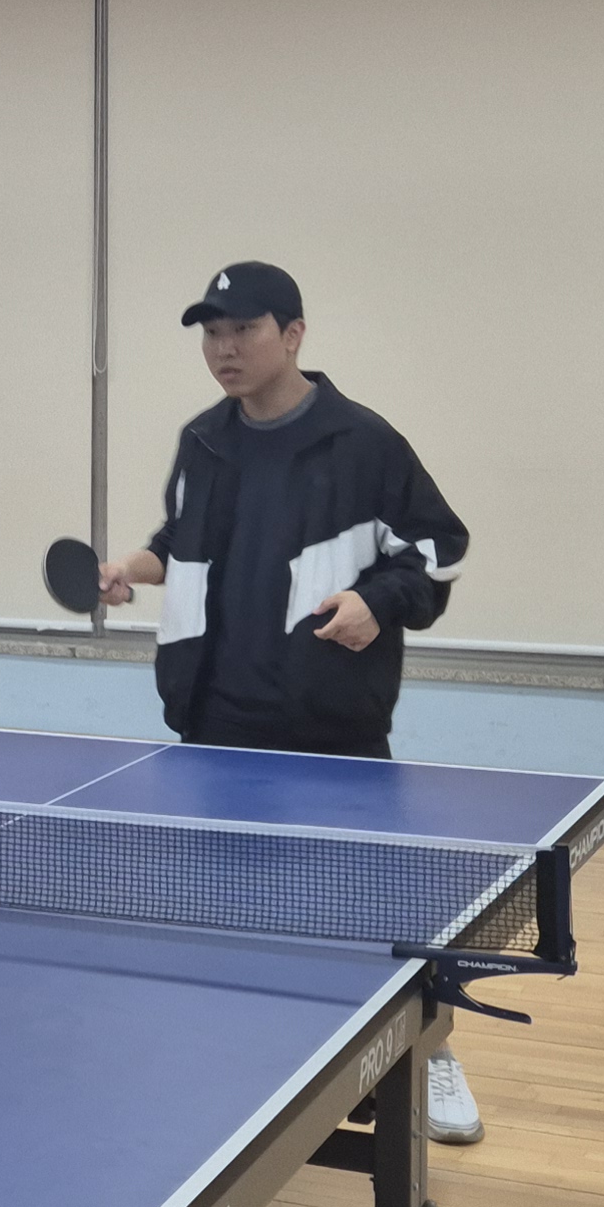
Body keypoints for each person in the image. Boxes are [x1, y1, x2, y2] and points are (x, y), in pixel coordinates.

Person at [97, 261, 489, 1145]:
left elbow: (439, 548)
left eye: (243, 329)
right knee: (231, 913)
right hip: (215, 724)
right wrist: (132, 567)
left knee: (375, 908)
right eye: (211, 332)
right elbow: (182, 542)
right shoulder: (204, 441)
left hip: (330, 724)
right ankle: (255, 1065)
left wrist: (376, 602)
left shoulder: (364, 442)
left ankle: (428, 1052)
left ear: (295, 334)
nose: (223, 348)